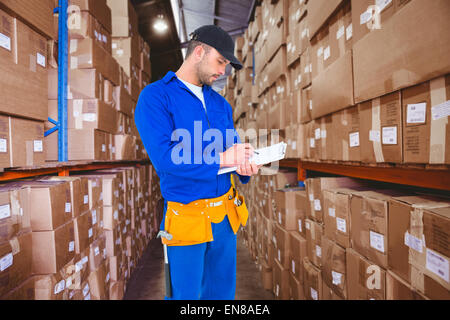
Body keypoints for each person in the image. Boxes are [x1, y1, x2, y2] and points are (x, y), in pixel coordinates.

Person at [134, 25, 261, 300]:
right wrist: (222, 159)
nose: (223, 71)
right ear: (199, 52)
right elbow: (166, 159)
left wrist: (245, 166)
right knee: (187, 296)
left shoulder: (220, 104)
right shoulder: (156, 97)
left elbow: (233, 149)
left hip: (225, 218)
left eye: (226, 64)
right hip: (186, 216)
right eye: (220, 61)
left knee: (222, 294)